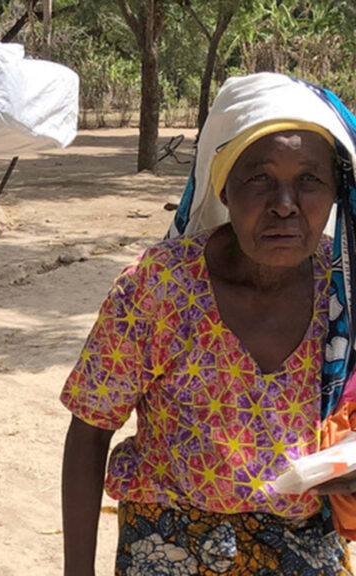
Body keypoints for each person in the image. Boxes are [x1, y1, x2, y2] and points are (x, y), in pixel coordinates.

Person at [60, 72, 356, 576]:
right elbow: (90, 432)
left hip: (301, 544)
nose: (285, 203)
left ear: (333, 192)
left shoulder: (344, 289)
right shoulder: (158, 289)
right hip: (168, 537)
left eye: (309, 179)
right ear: (224, 186)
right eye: (260, 177)